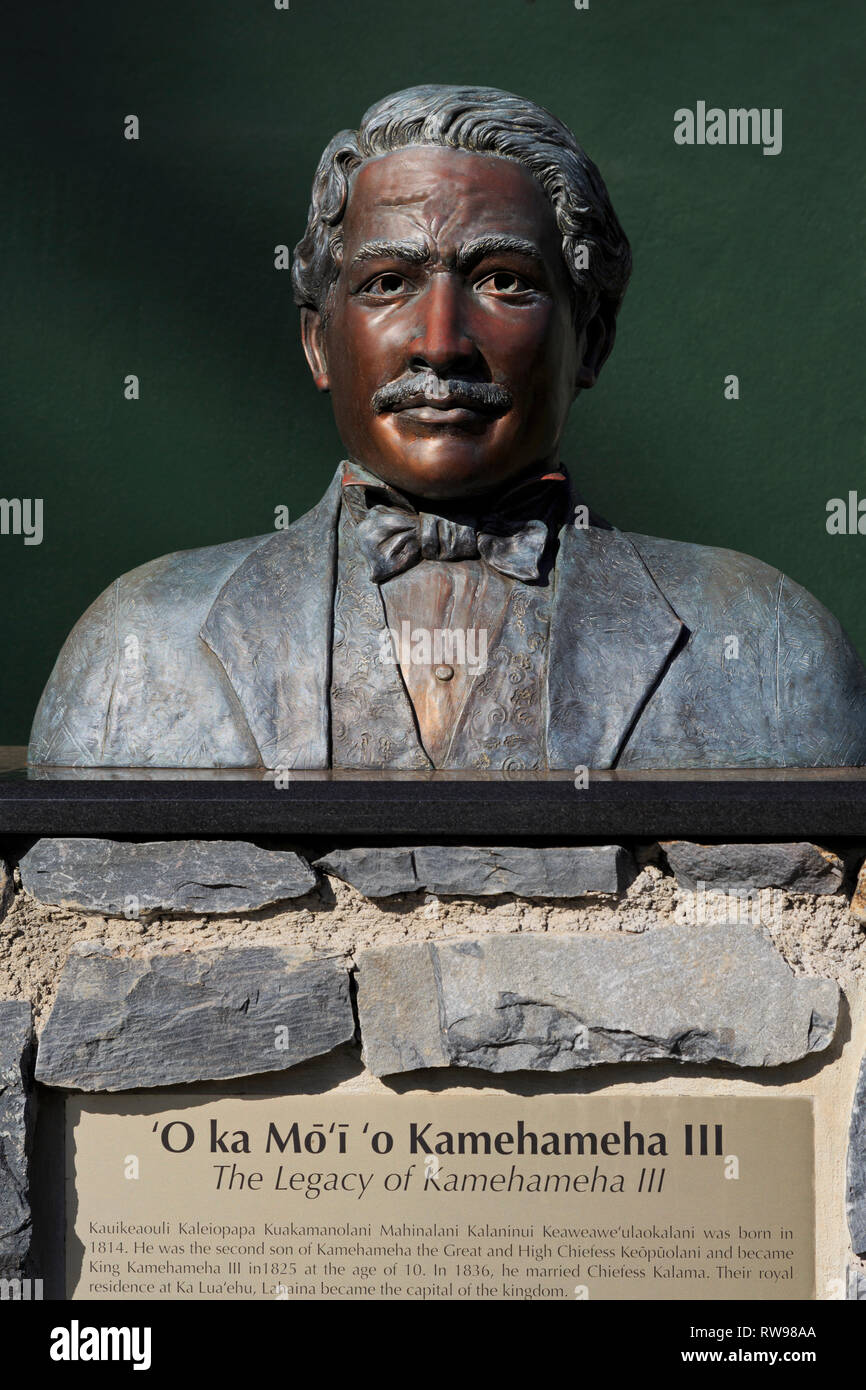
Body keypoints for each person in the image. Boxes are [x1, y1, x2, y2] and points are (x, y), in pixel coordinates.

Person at [28, 85, 866, 770]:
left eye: (503, 281)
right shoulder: (135, 646)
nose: (439, 342)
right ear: (319, 338)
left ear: (593, 339)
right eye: (387, 282)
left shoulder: (767, 646)